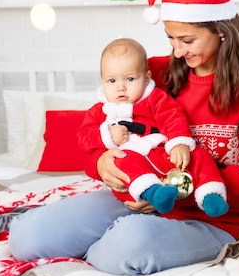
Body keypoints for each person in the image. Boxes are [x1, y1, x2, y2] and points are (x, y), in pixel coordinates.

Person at [8, 0, 239, 276]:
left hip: (214, 219)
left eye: (187, 40)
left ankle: (117, 240)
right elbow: (99, 129)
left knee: (122, 249)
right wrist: (101, 163)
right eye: (170, 38)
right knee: (26, 238)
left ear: (221, 31)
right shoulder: (155, 74)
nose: (178, 51)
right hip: (134, 193)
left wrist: (171, 195)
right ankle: (112, 235)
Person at [82, 37, 229, 216]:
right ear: (102, 80)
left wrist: (179, 143)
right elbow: (84, 136)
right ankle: (154, 193)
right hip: (132, 166)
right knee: (123, 161)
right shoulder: (100, 110)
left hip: (162, 155)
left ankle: (210, 194)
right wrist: (106, 137)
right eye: (111, 81)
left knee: (198, 155)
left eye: (129, 79)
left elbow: (173, 117)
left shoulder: (155, 99)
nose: (121, 88)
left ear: (146, 78)